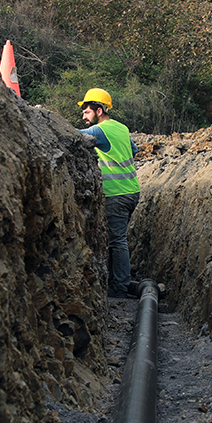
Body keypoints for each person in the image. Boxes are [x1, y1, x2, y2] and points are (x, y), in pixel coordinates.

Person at [77, 88, 140, 297]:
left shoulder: (98, 131)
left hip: (116, 193)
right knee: (117, 238)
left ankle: (120, 286)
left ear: (100, 110)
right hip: (131, 191)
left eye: (87, 111)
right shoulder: (121, 128)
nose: (83, 115)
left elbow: (71, 136)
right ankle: (117, 280)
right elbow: (134, 150)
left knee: (117, 240)